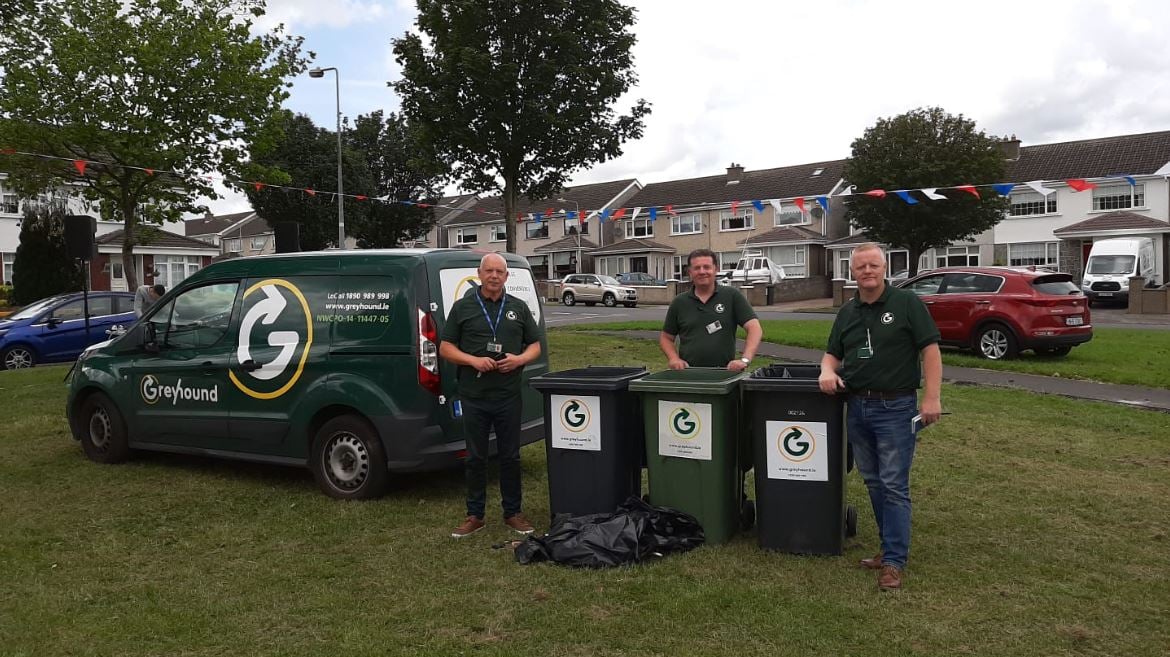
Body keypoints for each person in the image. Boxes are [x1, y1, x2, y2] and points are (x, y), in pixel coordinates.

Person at [818, 243, 942, 591]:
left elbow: (930, 350)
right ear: (852, 271)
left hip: (896, 408)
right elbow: (832, 355)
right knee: (873, 482)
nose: (867, 271)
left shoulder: (907, 304)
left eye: (873, 265)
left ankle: (893, 562)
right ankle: (888, 548)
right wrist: (826, 371)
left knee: (893, 485)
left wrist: (931, 398)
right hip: (857, 407)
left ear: (884, 268)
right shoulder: (847, 312)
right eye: (861, 267)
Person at [439, 253, 543, 539]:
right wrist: (472, 361)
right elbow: (446, 348)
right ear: (479, 274)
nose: (494, 276)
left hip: (508, 395)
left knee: (510, 456)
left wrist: (519, 359)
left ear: (506, 276)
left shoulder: (518, 308)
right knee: (475, 457)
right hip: (474, 396)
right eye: (489, 271)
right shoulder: (463, 307)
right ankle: (475, 515)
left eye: (499, 271)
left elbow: (535, 346)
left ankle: (513, 513)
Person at [659, 248, 763, 371]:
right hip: (688, 374)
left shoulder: (731, 296)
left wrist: (745, 359)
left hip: (725, 373)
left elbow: (754, 328)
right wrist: (673, 359)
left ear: (716, 269)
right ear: (690, 272)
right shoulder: (679, 302)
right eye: (697, 268)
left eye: (707, 267)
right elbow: (666, 338)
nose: (702, 272)